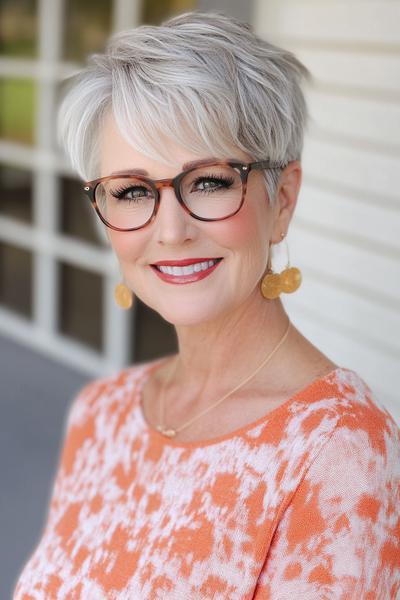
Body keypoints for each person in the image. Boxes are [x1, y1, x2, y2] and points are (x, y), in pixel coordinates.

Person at [13, 10, 400, 600]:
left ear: (284, 199)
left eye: (210, 181)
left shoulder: (338, 451)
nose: (170, 231)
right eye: (133, 190)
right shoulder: (101, 413)